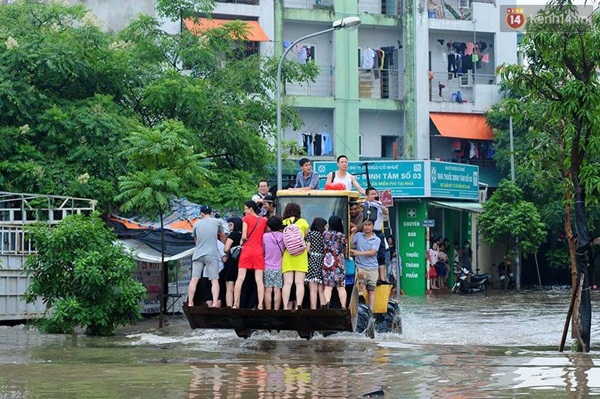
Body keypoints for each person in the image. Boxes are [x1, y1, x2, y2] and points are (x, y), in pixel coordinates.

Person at [233, 201, 268, 309]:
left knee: (240, 278)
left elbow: (244, 236)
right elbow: (265, 233)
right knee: (259, 279)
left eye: (246, 208)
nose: (245, 211)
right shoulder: (263, 220)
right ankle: (260, 304)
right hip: (258, 251)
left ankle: (235, 303)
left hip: (247, 250)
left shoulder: (246, 219)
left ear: (251, 209)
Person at [188, 205, 225, 307]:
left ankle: (190, 302)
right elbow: (222, 235)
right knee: (214, 279)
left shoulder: (196, 224)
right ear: (211, 212)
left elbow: (195, 239)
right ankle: (214, 303)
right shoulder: (217, 222)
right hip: (211, 254)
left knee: (194, 279)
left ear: (201, 213)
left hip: (198, 254)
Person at [281, 203, 309, 310]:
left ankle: (285, 306)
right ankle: (298, 306)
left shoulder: (283, 223)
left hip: (288, 254)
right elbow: (306, 237)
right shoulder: (303, 222)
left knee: (287, 283)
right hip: (301, 254)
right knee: (299, 283)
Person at [350, 219, 380, 310]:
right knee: (361, 287)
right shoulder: (358, 236)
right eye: (365, 225)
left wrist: (358, 253)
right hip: (360, 267)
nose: (367, 227)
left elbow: (372, 252)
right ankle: (362, 309)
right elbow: (350, 244)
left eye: (369, 225)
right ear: (362, 226)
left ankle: (370, 310)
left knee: (371, 291)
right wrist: (353, 233)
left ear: (373, 226)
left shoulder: (377, 239)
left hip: (372, 268)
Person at [364, 186, 389, 283]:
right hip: (369, 232)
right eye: (372, 194)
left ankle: (382, 277)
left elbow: (386, 213)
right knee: (372, 255)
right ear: (367, 195)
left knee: (381, 255)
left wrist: (380, 205)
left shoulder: (379, 204)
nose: (374, 196)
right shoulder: (365, 204)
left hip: (379, 232)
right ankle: (373, 277)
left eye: (375, 194)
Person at [322, 215, 348, 309]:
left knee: (328, 286)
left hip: (327, 261)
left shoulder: (325, 234)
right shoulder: (342, 235)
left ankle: (327, 302)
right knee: (341, 286)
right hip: (338, 261)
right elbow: (345, 249)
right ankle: (343, 306)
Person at [263, 216, 284, 310]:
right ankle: (276, 310)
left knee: (267, 290)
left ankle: (268, 310)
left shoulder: (265, 236)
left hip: (267, 266)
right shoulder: (283, 236)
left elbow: (263, 250)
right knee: (277, 290)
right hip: (280, 267)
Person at [305, 217, 327, 309]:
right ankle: (323, 307)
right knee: (321, 289)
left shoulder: (310, 234)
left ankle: (313, 309)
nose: (326, 228)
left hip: (312, 260)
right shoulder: (324, 235)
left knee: (312, 289)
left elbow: (308, 249)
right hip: (322, 260)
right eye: (325, 226)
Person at [223, 217, 242, 308]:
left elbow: (226, 248)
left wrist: (227, 253)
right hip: (241, 262)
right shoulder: (243, 235)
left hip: (232, 262)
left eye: (231, 224)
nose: (229, 227)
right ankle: (237, 304)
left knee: (229, 287)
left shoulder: (233, 235)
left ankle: (230, 306)